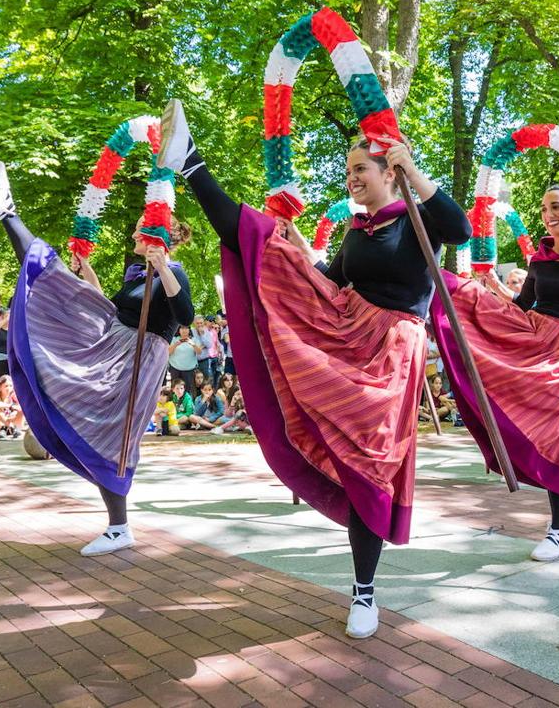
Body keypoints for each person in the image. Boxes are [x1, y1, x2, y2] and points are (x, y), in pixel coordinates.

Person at [159, 99, 470, 639]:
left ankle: (365, 590)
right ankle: (190, 163)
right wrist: (299, 254)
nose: (352, 179)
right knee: (267, 249)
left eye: (361, 170)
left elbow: (460, 229)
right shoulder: (357, 231)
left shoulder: (419, 220)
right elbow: (330, 279)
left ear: (389, 174)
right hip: (345, 334)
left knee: (372, 464)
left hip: (391, 353)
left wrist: (413, 169)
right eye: (348, 171)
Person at [0, 158, 195, 558]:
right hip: (113, 343)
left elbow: (185, 317)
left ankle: (119, 527)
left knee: (114, 436)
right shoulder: (135, 274)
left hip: (137, 358)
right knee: (61, 286)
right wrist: (89, 273)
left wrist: (163, 267)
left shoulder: (173, 271)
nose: (132, 233)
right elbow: (114, 308)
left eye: (138, 230)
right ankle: (6, 212)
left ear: (154, 236)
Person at [433, 182, 559, 562]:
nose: (548, 215)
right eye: (543, 209)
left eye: (556, 207)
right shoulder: (539, 259)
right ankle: (437, 280)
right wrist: (488, 292)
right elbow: (522, 306)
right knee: (503, 386)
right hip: (533, 336)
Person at [168, 324, 198, 392]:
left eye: (186, 328)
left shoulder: (193, 339)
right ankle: (175, 402)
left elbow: (199, 352)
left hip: (189, 370)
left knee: (187, 390)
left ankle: (186, 402)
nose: (184, 330)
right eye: (182, 328)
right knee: (175, 389)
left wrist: (193, 345)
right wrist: (176, 344)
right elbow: (168, 352)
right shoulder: (174, 339)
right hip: (175, 369)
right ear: (178, 330)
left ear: (189, 330)